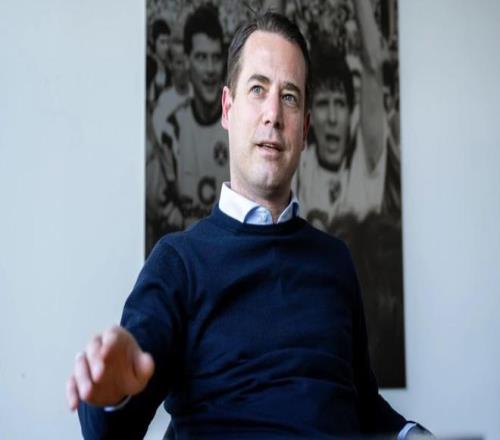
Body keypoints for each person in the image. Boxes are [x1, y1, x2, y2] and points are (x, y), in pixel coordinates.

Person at [67, 12, 431, 440]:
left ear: (305, 128)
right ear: (228, 108)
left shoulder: (335, 261)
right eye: (258, 89)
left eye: (289, 97)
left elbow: (362, 405)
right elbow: (108, 429)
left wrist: (411, 434)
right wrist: (111, 394)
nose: (273, 114)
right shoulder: (178, 262)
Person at [156, 4, 229, 231]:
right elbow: (164, 205)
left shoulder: (239, 127)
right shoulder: (173, 130)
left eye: (216, 58)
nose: (210, 69)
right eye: (201, 57)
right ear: (187, 61)